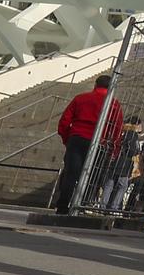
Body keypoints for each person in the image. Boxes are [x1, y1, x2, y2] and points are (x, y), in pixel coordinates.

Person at [49, 74, 124, 214]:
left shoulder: (80, 98)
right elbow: (117, 129)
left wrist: (67, 138)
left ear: (95, 85)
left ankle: (63, 205)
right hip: (98, 142)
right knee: (92, 174)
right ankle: (83, 205)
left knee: (71, 174)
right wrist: (114, 148)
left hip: (77, 138)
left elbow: (64, 121)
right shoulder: (113, 104)